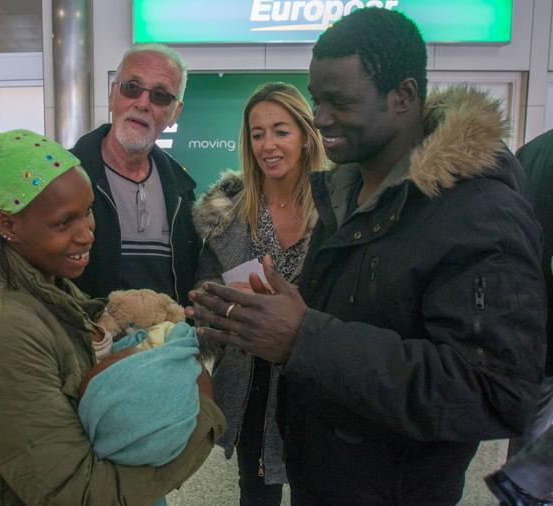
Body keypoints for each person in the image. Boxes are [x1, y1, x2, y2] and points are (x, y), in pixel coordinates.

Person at [186, 7, 546, 505]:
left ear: (403, 96)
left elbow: (495, 392)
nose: (321, 117)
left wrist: (302, 337)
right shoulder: (344, 194)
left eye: (340, 101)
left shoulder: (481, 213)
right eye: (317, 100)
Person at [0, 123, 224, 505]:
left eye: (87, 211)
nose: (87, 233)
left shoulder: (58, 292)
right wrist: (204, 412)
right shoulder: (3, 335)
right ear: (8, 223)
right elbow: (79, 493)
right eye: (64, 222)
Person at [0, 42, 200, 349]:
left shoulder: (184, 192)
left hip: (166, 357)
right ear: (112, 94)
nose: (143, 102)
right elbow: (7, 248)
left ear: (175, 112)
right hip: (85, 355)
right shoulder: (60, 178)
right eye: (132, 87)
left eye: (160, 95)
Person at [192, 82, 325, 505]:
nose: (268, 144)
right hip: (249, 387)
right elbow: (203, 303)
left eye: (281, 131)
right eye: (257, 133)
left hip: (319, 386)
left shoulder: (339, 211)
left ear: (305, 136)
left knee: (323, 488)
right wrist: (224, 305)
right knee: (256, 494)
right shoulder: (226, 216)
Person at [485, 129, 553, 505]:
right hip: (540, 323)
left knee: (528, 430)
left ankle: (523, 484)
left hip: (525, 323)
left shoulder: (533, 151)